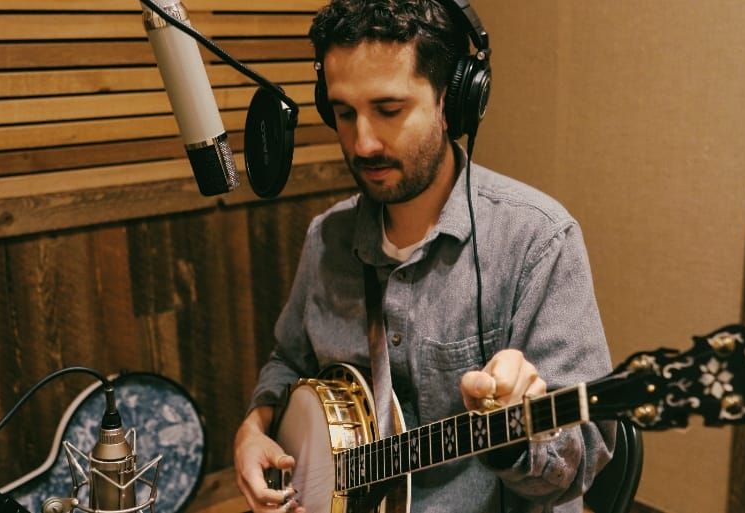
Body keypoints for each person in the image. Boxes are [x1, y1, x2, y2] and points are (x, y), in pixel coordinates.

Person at [233, 1, 614, 511]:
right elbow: (288, 361)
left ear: (451, 101)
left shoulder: (537, 241)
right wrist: (254, 428)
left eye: (389, 110)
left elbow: (584, 453)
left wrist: (516, 437)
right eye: (344, 113)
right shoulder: (328, 238)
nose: (363, 143)